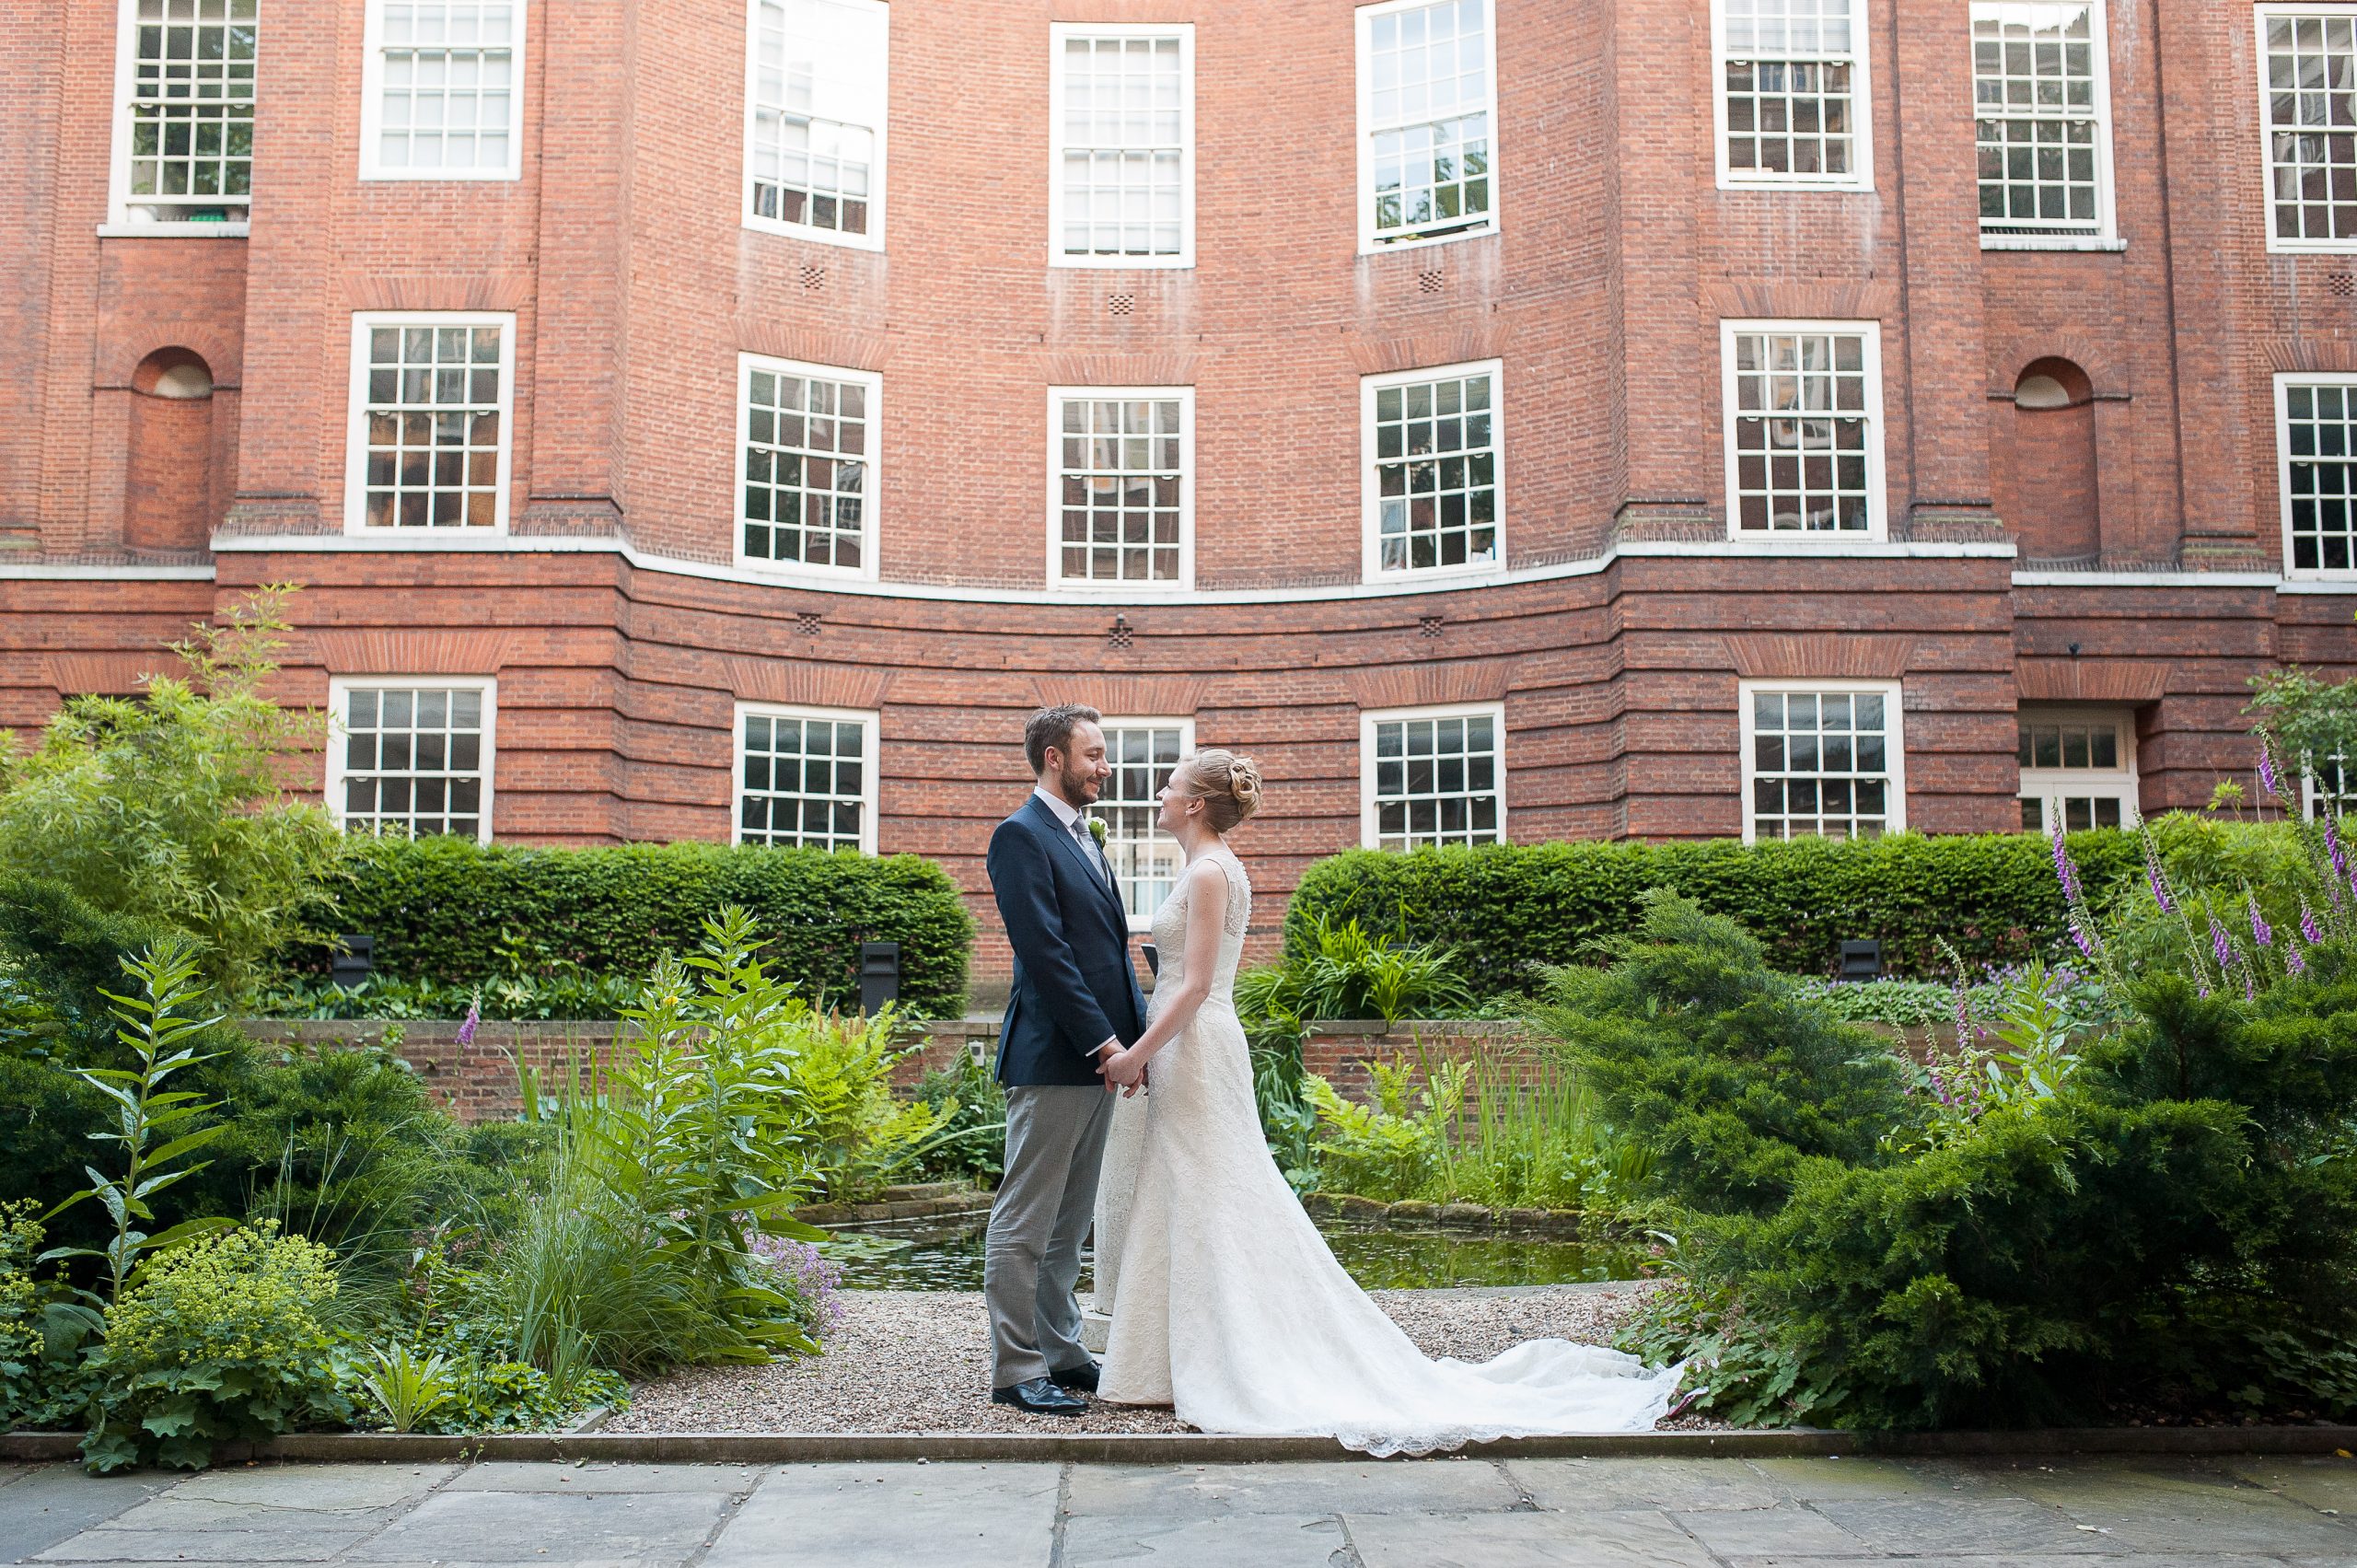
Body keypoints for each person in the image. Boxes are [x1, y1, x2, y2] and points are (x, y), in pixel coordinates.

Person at [1092, 749, 1688, 1454]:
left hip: (1194, 1046)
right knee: (1187, 1190)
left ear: (1194, 803)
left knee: (1210, 1192)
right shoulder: (1208, 866)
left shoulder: (1210, 871)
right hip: (1187, 1046)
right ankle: (1166, 1359)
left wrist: (1135, 1053)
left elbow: (1193, 985)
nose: (1159, 793)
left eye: (1169, 785)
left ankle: (1234, 1357)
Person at [981, 704, 1146, 1416]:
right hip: (1053, 1057)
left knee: (1069, 1223)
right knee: (1025, 1220)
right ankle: (1016, 1367)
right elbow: (1048, 956)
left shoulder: (1082, 835)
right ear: (1055, 757)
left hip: (1099, 1060)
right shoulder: (1019, 836)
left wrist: (1137, 1043)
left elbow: (1111, 954)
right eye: (1095, 754)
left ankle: (1062, 1349)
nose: (1106, 766)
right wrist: (1108, 1043)